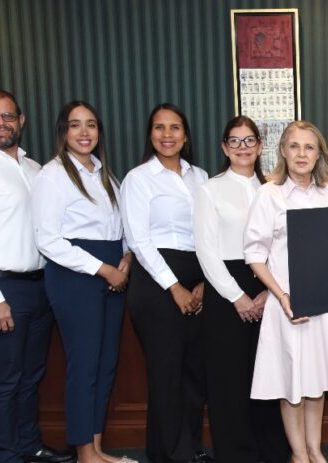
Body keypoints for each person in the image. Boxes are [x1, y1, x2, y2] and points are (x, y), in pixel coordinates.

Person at [0, 89, 74, 463]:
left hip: (39, 287)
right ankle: (7, 456)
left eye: (7, 116)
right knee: (4, 380)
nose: (0, 123)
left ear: (21, 121)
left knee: (30, 375)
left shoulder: (35, 169)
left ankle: (31, 447)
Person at [244, 120, 328, 463]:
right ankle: (298, 454)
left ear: (318, 153)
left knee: (317, 379)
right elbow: (254, 255)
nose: (302, 153)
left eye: (309, 147)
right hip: (288, 305)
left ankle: (315, 449)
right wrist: (281, 297)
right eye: (294, 146)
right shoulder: (269, 194)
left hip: (325, 303)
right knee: (292, 382)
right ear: (282, 150)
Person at [31, 101, 137, 463]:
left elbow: (121, 228)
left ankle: (97, 447)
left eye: (90, 125)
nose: (84, 132)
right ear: (63, 131)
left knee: (106, 363)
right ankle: (84, 453)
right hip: (76, 277)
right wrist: (104, 269)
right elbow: (48, 239)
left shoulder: (106, 175)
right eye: (75, 125)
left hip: (113, 274)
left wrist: (124, 259)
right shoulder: (52, 175)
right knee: (85, 364)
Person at [193, 116, 290, 463]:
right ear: (224, 148)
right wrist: (238, 296)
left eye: (249, 140)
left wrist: (269, 291)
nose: (242, 147)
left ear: (261, 146)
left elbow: (283, 245)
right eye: (234, 141)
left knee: (268, 374)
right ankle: (237, 454)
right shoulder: (210, 189)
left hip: (270, 284)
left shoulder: (276, 187)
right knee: (229, 378)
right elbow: (206, 251)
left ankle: (272, 451)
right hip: (226, 289)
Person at [120, 103, 211, 463]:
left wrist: (203, 281)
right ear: (151, 134)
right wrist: (174, 287)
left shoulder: (201, 176)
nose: (167, 134)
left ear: (186, 135)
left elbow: (210, 233)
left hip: (199, 274)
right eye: (160, 127)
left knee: (194, 371)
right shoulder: (138, 179)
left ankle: (185, 448)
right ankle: (174, 454)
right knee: (166, 372)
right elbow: (139, 241)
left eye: (175, 127)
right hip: (156, 280)